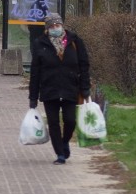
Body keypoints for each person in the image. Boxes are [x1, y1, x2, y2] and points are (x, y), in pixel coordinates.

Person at [28, 13, 91, 165]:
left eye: (57, 25)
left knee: (70, 120)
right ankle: (60, 153)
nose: (55, 28)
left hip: (70, 87)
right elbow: (35, 71)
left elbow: (84, 65)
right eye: (52, 26)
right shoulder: (40, 44)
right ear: (47, 28)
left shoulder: (74, 41)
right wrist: (33, 96)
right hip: (50, 89)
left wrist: (85, 87)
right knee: (54, 123)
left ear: (62, 25)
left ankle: (65, 141)